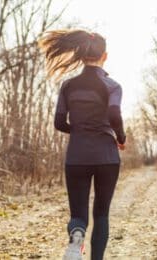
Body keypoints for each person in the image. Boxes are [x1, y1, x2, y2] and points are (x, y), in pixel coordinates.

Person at [38, 29, 126, 260]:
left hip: (76, 157)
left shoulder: (68, 86)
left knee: (78, 214)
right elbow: (114, 113)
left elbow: (59, 122)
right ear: (104, 56)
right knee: (102, 214)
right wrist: (120, 137)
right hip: (107, 156)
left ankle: (76, 237)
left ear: (81, 53)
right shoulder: (112, 86)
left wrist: (78, 131)